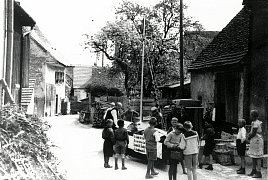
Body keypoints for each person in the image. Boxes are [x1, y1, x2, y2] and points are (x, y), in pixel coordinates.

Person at [247, 110, 263, 178]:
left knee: (258, 156)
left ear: (253, 116)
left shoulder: (256, 123)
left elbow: (254, 133)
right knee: (253, 156)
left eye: (251, 115)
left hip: (257, 140)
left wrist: (248, 137)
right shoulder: (253, 122)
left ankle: (259, 172)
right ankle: (254, 170)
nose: (250, 116)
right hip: (254, 141)